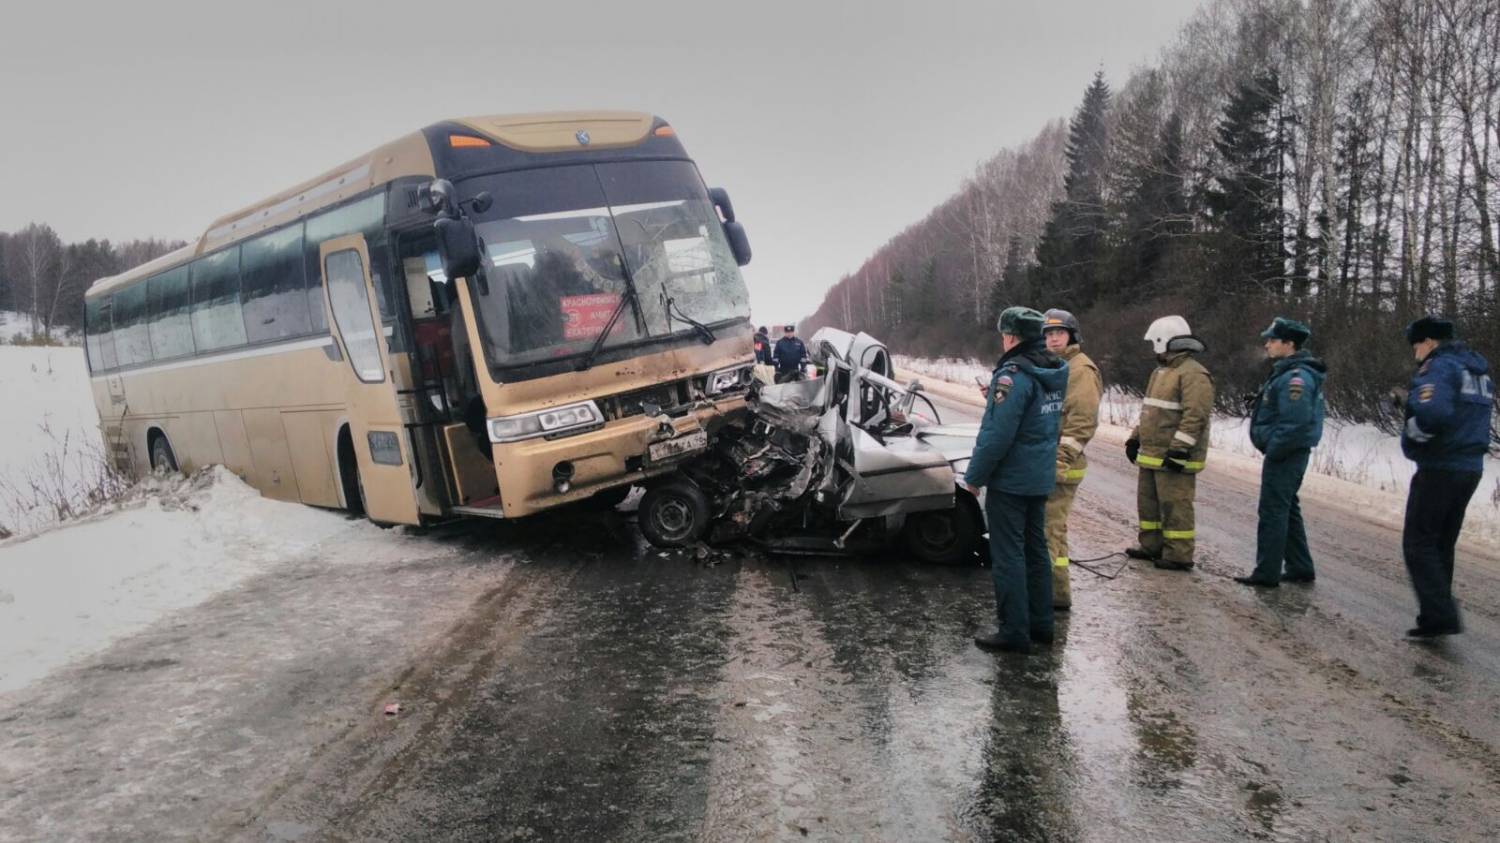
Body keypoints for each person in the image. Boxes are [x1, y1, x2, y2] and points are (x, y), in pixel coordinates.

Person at [962, 306, 1069, 654]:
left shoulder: (1011, 375)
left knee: (1008, 555)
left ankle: (1014, 631)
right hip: (1039, 475)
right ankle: (1041, 626)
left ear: (1011, 336)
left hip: (1011, 480)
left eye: (1003, 334)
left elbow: (997, 434)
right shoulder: (1051, 368)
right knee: (1036, 551)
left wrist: (974, 477)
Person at [1398, 316, 1493, 638]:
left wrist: (1413, 430)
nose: (1415, 353)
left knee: (1418, 542)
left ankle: (1440, 614)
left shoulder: (1439, 367)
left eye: (1416, 345)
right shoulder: (1476, 371)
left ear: (1428, 342)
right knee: (1440, 543)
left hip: (1441, 466)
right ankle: (1434, 614)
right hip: (1470, 466)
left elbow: (1434, 414)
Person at [1235, 317, 1326, 588]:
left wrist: (1275, 448)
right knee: (1287, 509)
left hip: (1286, 454)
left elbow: (1295, 422)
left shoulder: (1295, 378)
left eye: (1272, 340)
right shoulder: (1288, 372)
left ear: (1289, 343)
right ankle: (1300, 566)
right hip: (1287, 452)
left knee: (1273, 510)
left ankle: (1267, 573)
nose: (1267, 344)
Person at [1125, 316, 1214, 571]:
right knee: (1149, 504)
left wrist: (1179, 449)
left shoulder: (1194, 374)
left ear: (1164, 341)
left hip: (1175, 456)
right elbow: (1151, 411)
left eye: (1155, 342)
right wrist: (1135, 438)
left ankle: (1179, 555)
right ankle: (1151, 546)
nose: (1153, 347)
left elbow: (1195, 416)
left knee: (1176, 506)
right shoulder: (1161, 372)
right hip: (1153, 454)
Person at [1040, 309, 1101, 611]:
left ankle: (1055, 595)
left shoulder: (1079, 370)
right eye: (1048, 334)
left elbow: (1082, 422)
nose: (1053, 338)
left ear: (1072, 336)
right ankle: (1050, 591)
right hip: (1048, 462)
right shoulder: (1057, 367)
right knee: (1048, 528)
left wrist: (1059, 460)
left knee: (1050, 530)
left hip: (1061, 465)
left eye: (1059, 333)